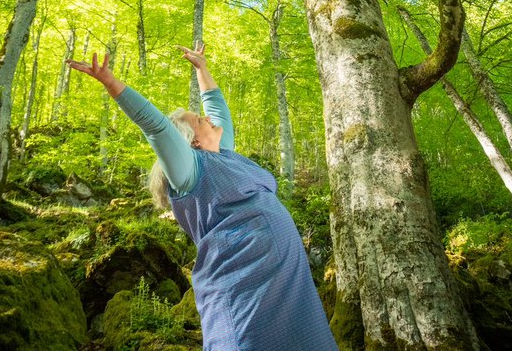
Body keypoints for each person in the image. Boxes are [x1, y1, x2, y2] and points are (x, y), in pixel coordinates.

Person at [68, 42, 338, 351]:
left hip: (285, 280)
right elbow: (156, 127)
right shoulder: (189, 171)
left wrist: (202, 69)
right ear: (193, 140)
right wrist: (111, 83)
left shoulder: (225, 155)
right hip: (243, 282)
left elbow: (217, 108)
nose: (208, 118)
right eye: (199, 119)